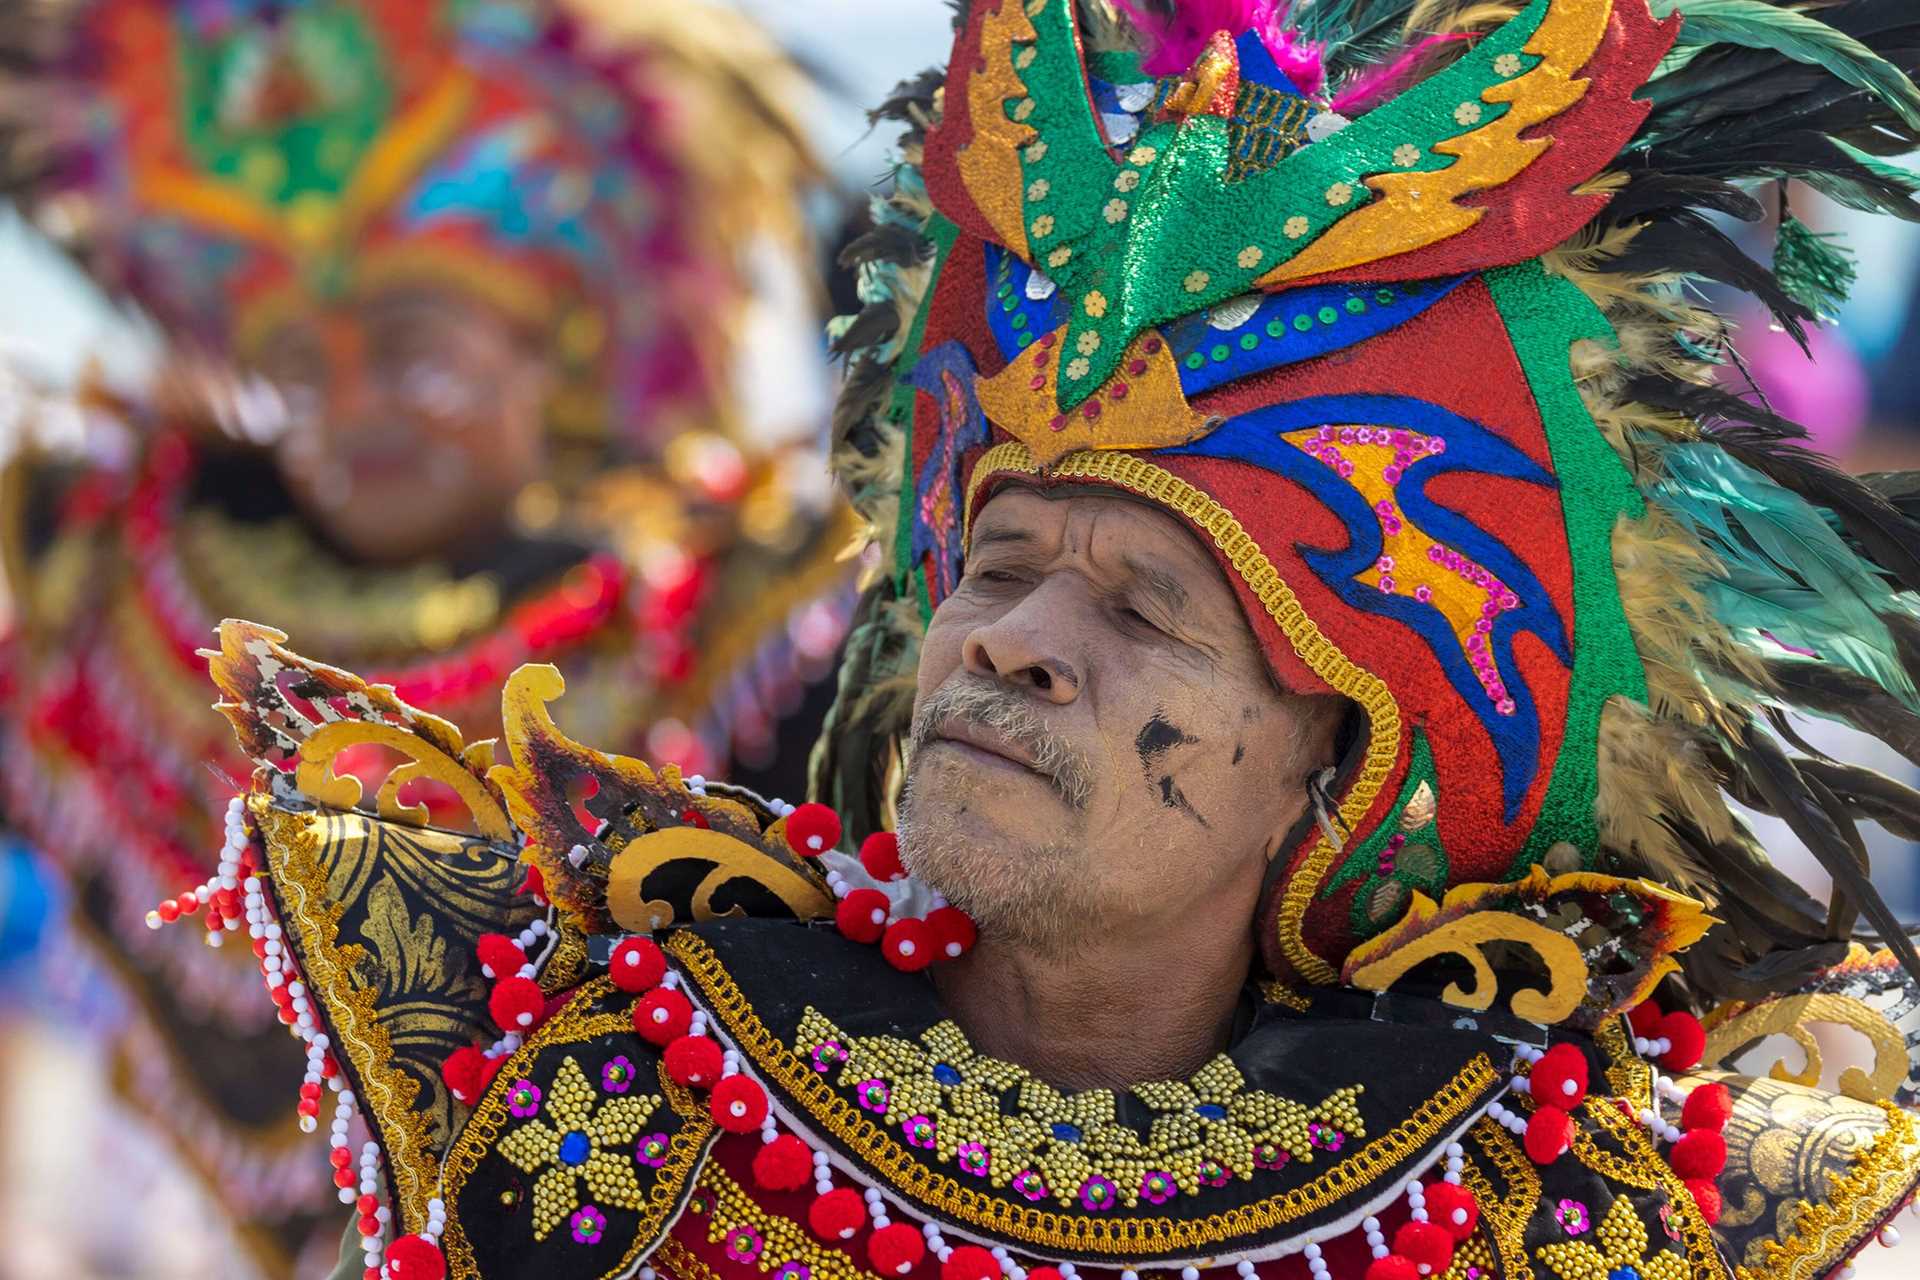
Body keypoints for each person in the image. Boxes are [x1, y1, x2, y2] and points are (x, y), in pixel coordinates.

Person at [174, 1, 1920, 1278]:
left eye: (1146, 606)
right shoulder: (604, 1090)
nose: (1012, 641)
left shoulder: (1548, 1207)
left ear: (1326, 759)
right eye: (996, 570)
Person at [0, 0, 851, 1270]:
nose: (351, 409)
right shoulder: (130, 620)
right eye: (299, 367)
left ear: (544, 353)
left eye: (410, 350)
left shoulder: (739, 624)